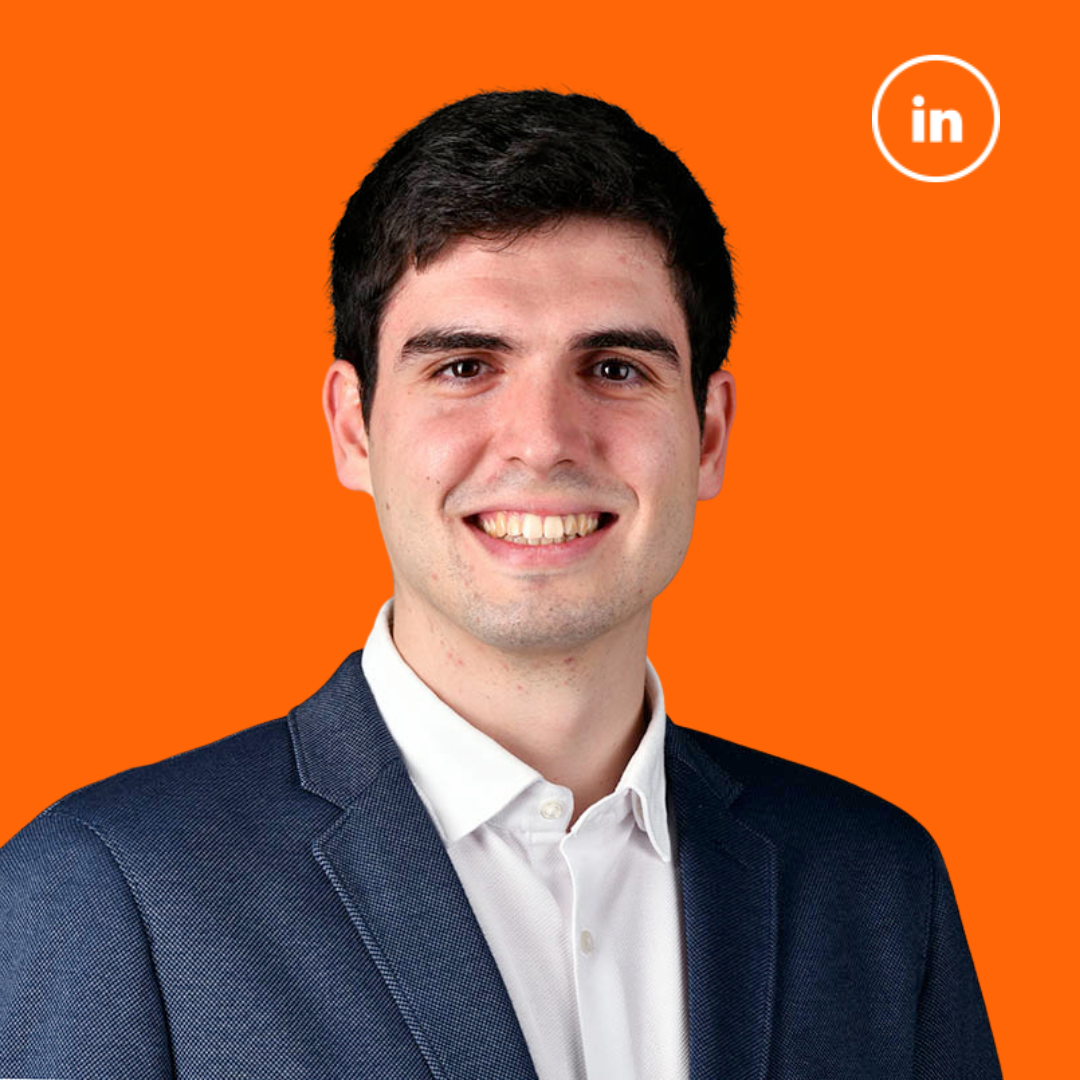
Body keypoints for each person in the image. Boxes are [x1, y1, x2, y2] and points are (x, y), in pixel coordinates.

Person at [0, 90, 1000, 1080]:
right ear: (352, 428)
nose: (543, 441)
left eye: (615, 369)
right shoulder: (109, 892)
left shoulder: (876, 884)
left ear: (708, 434)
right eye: (465, 367)